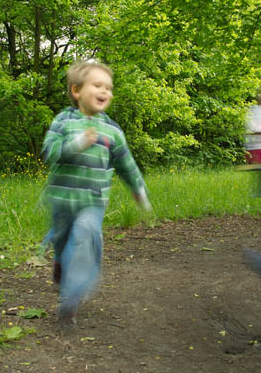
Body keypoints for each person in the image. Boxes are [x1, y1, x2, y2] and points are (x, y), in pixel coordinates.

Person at [41, 60, 152, 325]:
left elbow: (126, 162)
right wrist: (76, 145)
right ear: (77, 90)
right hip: (62, 199)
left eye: (109, 88)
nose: (105, 92)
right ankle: (58, 261)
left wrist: (138, 188)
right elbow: (48, 152)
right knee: (62, 239)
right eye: (98, 85)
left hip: (93, 200)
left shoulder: (112, 130)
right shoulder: (63, 121)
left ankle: (71, 298)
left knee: (85, 237)